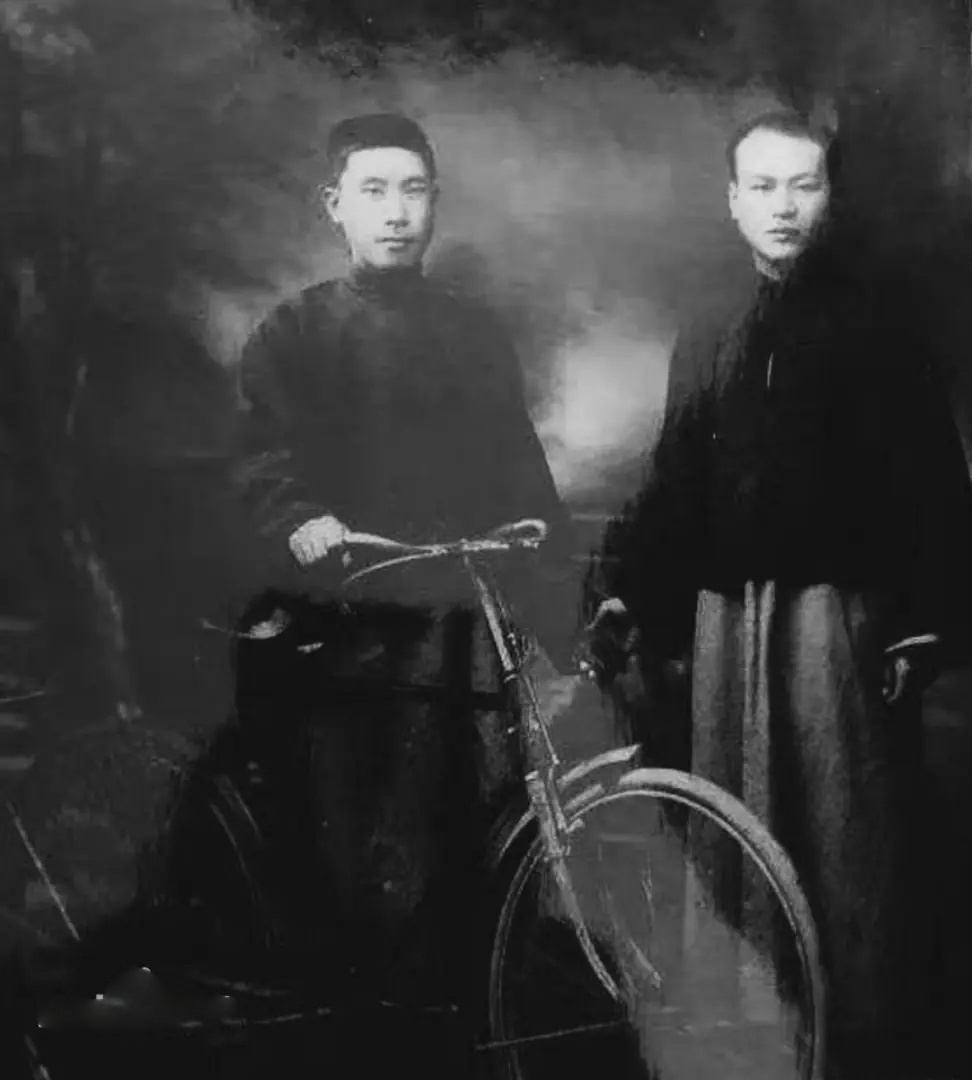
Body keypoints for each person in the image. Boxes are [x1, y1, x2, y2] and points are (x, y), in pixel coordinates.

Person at [600, 109, 972, 1078]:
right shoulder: (707, 329)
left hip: (832, 624)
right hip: (729, 626)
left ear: (829, 197)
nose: (783, 206)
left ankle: (855, 1036)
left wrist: (923, 621)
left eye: (803, 185)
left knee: (846, 826)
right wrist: (630, 590)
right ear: (732, 201)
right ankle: (750, 1027)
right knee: (737, 823)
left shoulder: (878, 326)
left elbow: (933, 481)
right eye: (762, 186)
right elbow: (675, 477)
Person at [226, 113, 590, 1028]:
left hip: (456, 618)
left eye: (414, 190)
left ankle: (467, 1018)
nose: (396, 212)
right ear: (334, 205)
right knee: (357, 839)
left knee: (472, 822)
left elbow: (520, 468)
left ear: (435, 203)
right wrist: (302, 521)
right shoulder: (293, 333)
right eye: (374, 191)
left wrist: (543, 550)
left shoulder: (474, 334)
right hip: (343, 626)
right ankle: (363, 1027)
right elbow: (260, 460)